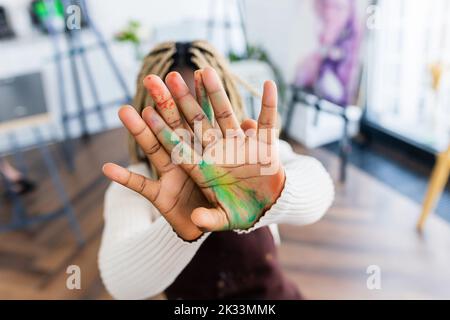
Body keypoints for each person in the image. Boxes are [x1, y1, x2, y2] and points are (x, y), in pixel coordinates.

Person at [99, 41, 334, 299]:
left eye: (201, 106)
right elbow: (121, 284)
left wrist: (276, 195)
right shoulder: (136, 186)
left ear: (227, 100)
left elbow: (320, 188)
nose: (190, 129)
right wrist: (182, 228)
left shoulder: (253, 158)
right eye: (173, 110)